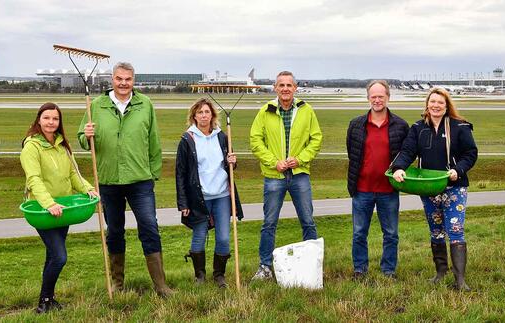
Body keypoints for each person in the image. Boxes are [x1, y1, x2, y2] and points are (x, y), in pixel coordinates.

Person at [77, 62, 173, 297]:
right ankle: (117, 284)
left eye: (127, 79)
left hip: (140, 179)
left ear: (133, 80)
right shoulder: (97, 105)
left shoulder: (145, 104)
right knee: (115, 231)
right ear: (112, 79)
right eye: (119, 78)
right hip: (109, 180)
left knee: (150, 227)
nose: (123, 83)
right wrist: (85, 136)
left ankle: (161, 286)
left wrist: (153, 173)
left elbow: (154, 140)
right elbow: (82, 139)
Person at [392, 87, 477, 290]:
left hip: (454, 187)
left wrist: (459, 169)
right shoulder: (418, 128)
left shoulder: (460, 127)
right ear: (427, 105)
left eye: (440, 102)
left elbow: (471, 153)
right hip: (429, 189)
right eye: (432, 102)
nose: (436, 106)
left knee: (455, 230)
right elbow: (407, 151)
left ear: (446, 105)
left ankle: (460, 280)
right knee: (436, 231)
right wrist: (398, 168)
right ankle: (440, 273)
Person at [20, 102, 98, 313]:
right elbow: (34, 179)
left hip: (64, 209)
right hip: (44, 210)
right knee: (60, 256)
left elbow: (73, 174)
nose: (51, 122)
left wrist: (88, 189)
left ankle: (47, 300)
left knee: (52, 256)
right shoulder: (31, 147)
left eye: (55, 119)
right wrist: (49, 203)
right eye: (46, 118)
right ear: (38, 120)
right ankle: (44, 302)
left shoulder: (62, 145)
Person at [249, 71, 323, 280]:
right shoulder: (265, 111)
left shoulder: (306, 110)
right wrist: (274, 162)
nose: (285, 89)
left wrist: (300, 159)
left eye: (289, 85)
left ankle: (312, 266)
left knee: (308, 221)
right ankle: (265, 267)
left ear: (295, 88)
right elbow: (256, 140)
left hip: (299, 175)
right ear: (275, 88)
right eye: (281, 85)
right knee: (269, 223)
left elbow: (316, 139)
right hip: (274, 176)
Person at [175, 98, 243, 288]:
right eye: (200, 112)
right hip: (199, 197)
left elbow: (230, 165)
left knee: (223, 237)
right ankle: (200, 276)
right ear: (194, 116)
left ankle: (219, 275)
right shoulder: (187, 140)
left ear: (212, 115)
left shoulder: (222, 136)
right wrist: (183, 202)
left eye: (206, 112)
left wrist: (233, 161)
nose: (203, 115)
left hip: (221, 194)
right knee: (199, 235)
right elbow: (180, 173)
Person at [346, 80, 409, 280]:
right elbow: (352, 153)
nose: (377, 100)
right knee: (359, 233)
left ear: (388, 97)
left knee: (391, 234)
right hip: (362, 189)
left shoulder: (400, 125)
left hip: (388, 190)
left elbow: (406, 155)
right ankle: (360, 269)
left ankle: (388, 271)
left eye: (381, 96)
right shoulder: (356, 124)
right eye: (373, 96)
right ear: (368, 98)